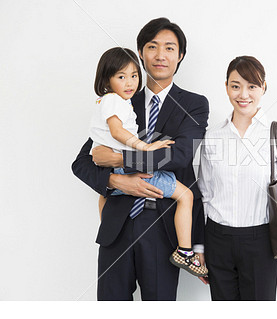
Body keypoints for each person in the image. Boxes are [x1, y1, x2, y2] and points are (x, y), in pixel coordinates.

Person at [72, 18, 209, 300]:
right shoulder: (120, 99)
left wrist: (119, 158)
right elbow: (83, 162)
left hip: (162, 229)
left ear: (180, 55)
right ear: (140, 52)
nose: (160, 55)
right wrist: (116, 180)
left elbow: (179, 155)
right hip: (117, 228)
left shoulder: (194, 104)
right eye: (152, 46)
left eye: (169, 48)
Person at [198, 56, 277, 301]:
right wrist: (199, 248)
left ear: (263, 87)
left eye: (252, 86)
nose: (243, 94)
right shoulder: (212, 136)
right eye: (235, 86)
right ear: (226, 87)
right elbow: (205, 194)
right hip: (217, 241)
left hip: (260, 243)